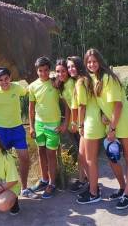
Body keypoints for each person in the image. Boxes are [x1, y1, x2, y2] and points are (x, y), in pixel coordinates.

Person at [84, 48, 128, 209]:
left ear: (100, 61)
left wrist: (112, 128)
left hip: (124, 123)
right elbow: (103, 104)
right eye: (88, 62)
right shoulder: (94, 79)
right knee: (112, 158)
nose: (91, 64)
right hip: (113, 124)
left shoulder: (108, 78)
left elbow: (118, 105)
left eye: (94, 61)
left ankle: (127, 193)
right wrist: (103, 115)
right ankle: (122, 187)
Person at [0, 67, 38, 199]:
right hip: (1, 131)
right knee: (2, 161)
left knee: (24, 159)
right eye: (1, 80)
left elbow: (31, 89)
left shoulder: (17, 88)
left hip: (17, 129)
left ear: (10, 78)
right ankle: (3, 189)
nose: (4, 82)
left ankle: (24, 188)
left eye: (6, 79)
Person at [67, 56, 105, 204]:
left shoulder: (81, 81)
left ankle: (94, 193)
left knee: (90, 160)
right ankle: (92, 186)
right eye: (69, 67)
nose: (71, 69)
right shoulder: (81, 80)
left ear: (79, 66)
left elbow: (82, 106)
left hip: (91, 123)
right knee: (82, 157)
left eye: (73, 66)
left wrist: (79, 125)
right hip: (88, 123)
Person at [29, 56, 65, 198]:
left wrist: (64, 123)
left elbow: (67, 105)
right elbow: (31, 109)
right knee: (41, 152)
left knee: (51, 155)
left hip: (53, 125)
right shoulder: (32, 86)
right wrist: (31, 127)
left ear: (49, 70)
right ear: (36, 71)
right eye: (40, 71)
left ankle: (52, 183)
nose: (43, 73)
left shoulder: (56, 84)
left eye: (45, 70)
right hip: (39, 124)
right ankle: (44, 179)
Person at [55, 59, 88, 193]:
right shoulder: (62, 85)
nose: (61, 73)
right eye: (58, 71)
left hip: (82, 122)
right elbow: (68, 107)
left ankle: (85, 181)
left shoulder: (73, 83)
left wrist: (75, 123)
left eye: (64, 70)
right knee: (81, 153)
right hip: (75, 123)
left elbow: (78, 106)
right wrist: (66, 122)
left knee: (83, 154)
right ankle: (83, 179)